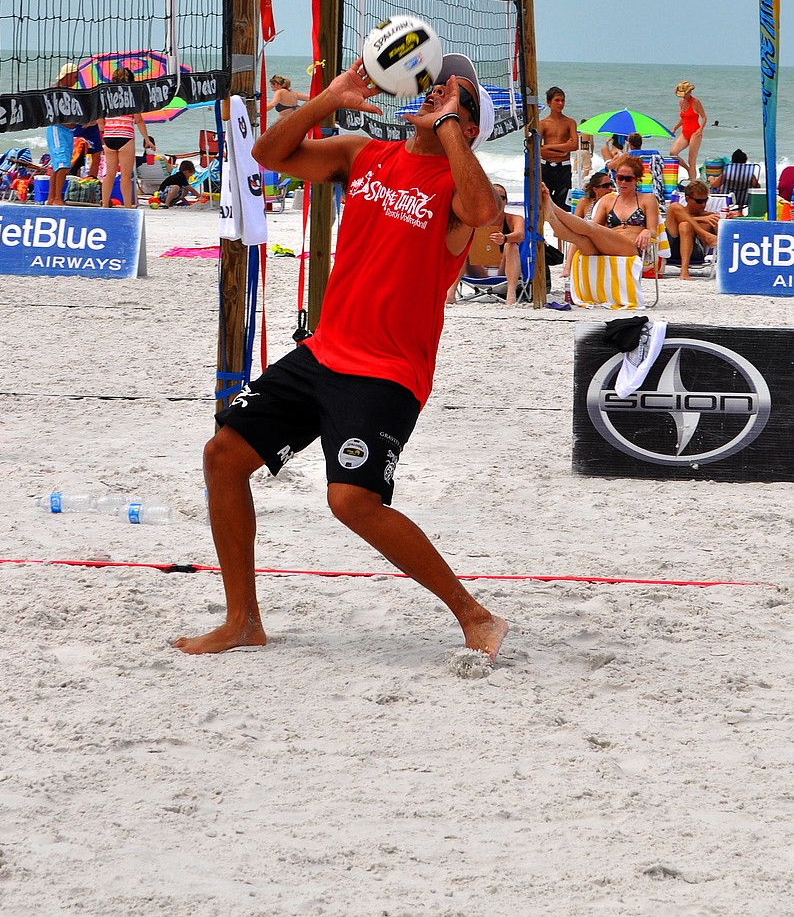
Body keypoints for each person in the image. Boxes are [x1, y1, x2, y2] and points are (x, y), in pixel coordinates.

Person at [173, 52, 508, 663]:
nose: (436, 92)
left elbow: (485, 216)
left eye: (455, 92)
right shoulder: (364, 154)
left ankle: (473, 615)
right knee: (223, 455)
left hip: (385, 372)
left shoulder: (459, 190)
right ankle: (242, 620)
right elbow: (268, 155)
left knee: (351, 501)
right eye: (437, 84)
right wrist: (326, 100)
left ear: (468, 122)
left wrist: (454, 128)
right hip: (324, 351)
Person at [542, 155, 659, 261]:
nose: (623, 182)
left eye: (628, 179)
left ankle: (554, 209)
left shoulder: (647, 199)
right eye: (620, 178)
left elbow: (653, 229)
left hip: (632, 248)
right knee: (579, 239)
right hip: (606, 245)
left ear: (637, 179)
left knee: (590, 227)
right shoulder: (608, 200)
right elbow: (590, 229)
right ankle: (552, 218)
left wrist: (647, 231)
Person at [444, 182, 524, 305]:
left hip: (503, 271)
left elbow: (520, 235)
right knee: (463, 246)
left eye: (501, 198)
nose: (497, 201)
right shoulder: (475, 220)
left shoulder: (514, 219)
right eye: (493, 197)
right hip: (478, 270)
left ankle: (511, 294)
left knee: (511, 245)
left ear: (506, 201)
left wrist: (505, 238)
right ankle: (450, 293)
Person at [100, 67, 151, 208]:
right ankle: (127, 206)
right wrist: (146, 139)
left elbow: (99, 118)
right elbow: (139, 120)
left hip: (109, 136)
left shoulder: (107, 96)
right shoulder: (131, 97)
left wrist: (103, 132)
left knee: (109, 175)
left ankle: (104, 205)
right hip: (125, 136)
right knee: (125, 176)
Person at [665, 179, 725, 279]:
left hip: (696, 252)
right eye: (699, 201)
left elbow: (721, 237)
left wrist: (727, 219)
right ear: (688, 199)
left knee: (684, 225)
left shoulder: (710, 216)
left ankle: (684, 271)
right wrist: (700, 219)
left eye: (705, 200)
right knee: (674, 207)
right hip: (671, 250)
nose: (703, 205)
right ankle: (705, 235)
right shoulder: (677, 211)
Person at [559, 170, 614, 278]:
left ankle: (568, 268)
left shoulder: (613, 201)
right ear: (595, 189)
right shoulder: (585, 202)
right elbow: (574, 222)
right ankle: (567, 268)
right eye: (606, 185)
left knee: (580, 235)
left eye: (611, 184)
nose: (610, 188)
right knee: (578, 235)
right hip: (586, 237)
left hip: (604, 237)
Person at [46, 63, 81, 206]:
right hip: (57, 129)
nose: (76, 80)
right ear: (66, 76)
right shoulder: (56, 91)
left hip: (67, 131)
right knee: (61, 165)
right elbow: (55, 115)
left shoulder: (69, 91)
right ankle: (57, 198)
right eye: (74, 76)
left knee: (59, 165)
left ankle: (52, 198)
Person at [540, 86, 578, 210]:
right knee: (543, 203)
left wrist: (548, 147)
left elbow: (574, 145)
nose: (560, 103)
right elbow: (538, 150)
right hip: (546, 167)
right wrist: (563, 149)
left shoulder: (570, 122)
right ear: (549, 102)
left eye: (562, 100)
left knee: (563, 205)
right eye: (557, 100)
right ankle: (542, 229)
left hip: (564, 168)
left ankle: (560, 230)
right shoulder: (543, 123)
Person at [670, 81, 707, 181]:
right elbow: (683, 118)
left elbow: (704, 117)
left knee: (692, 160)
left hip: (695, 132)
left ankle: (693, 181)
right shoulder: (681, 102)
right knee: (673, 153)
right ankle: (687, 169)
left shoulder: (696, 102)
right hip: (684, 132)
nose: (684, 96)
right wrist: (674, 128)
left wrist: (701, 129)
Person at [713, 149, 759, 213]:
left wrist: (711, 179)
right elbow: (756, 186)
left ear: (732, 160)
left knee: (720, 186)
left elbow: (714, 185)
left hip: (728, 198)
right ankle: (740, 212)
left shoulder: (727, 172)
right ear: (745, 161)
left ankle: (725, 211)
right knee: (744, 187)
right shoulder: (749, 174)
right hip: (743, 199)